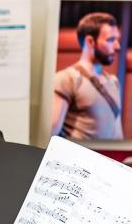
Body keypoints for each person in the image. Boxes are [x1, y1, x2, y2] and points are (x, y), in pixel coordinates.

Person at [51, 12, 124, 140]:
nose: (117, 46)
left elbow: (118, 134)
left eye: (117, 40)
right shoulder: (66, 79)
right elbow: (50, 135)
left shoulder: (114, 82)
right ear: (90, 41)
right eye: (111, 40)